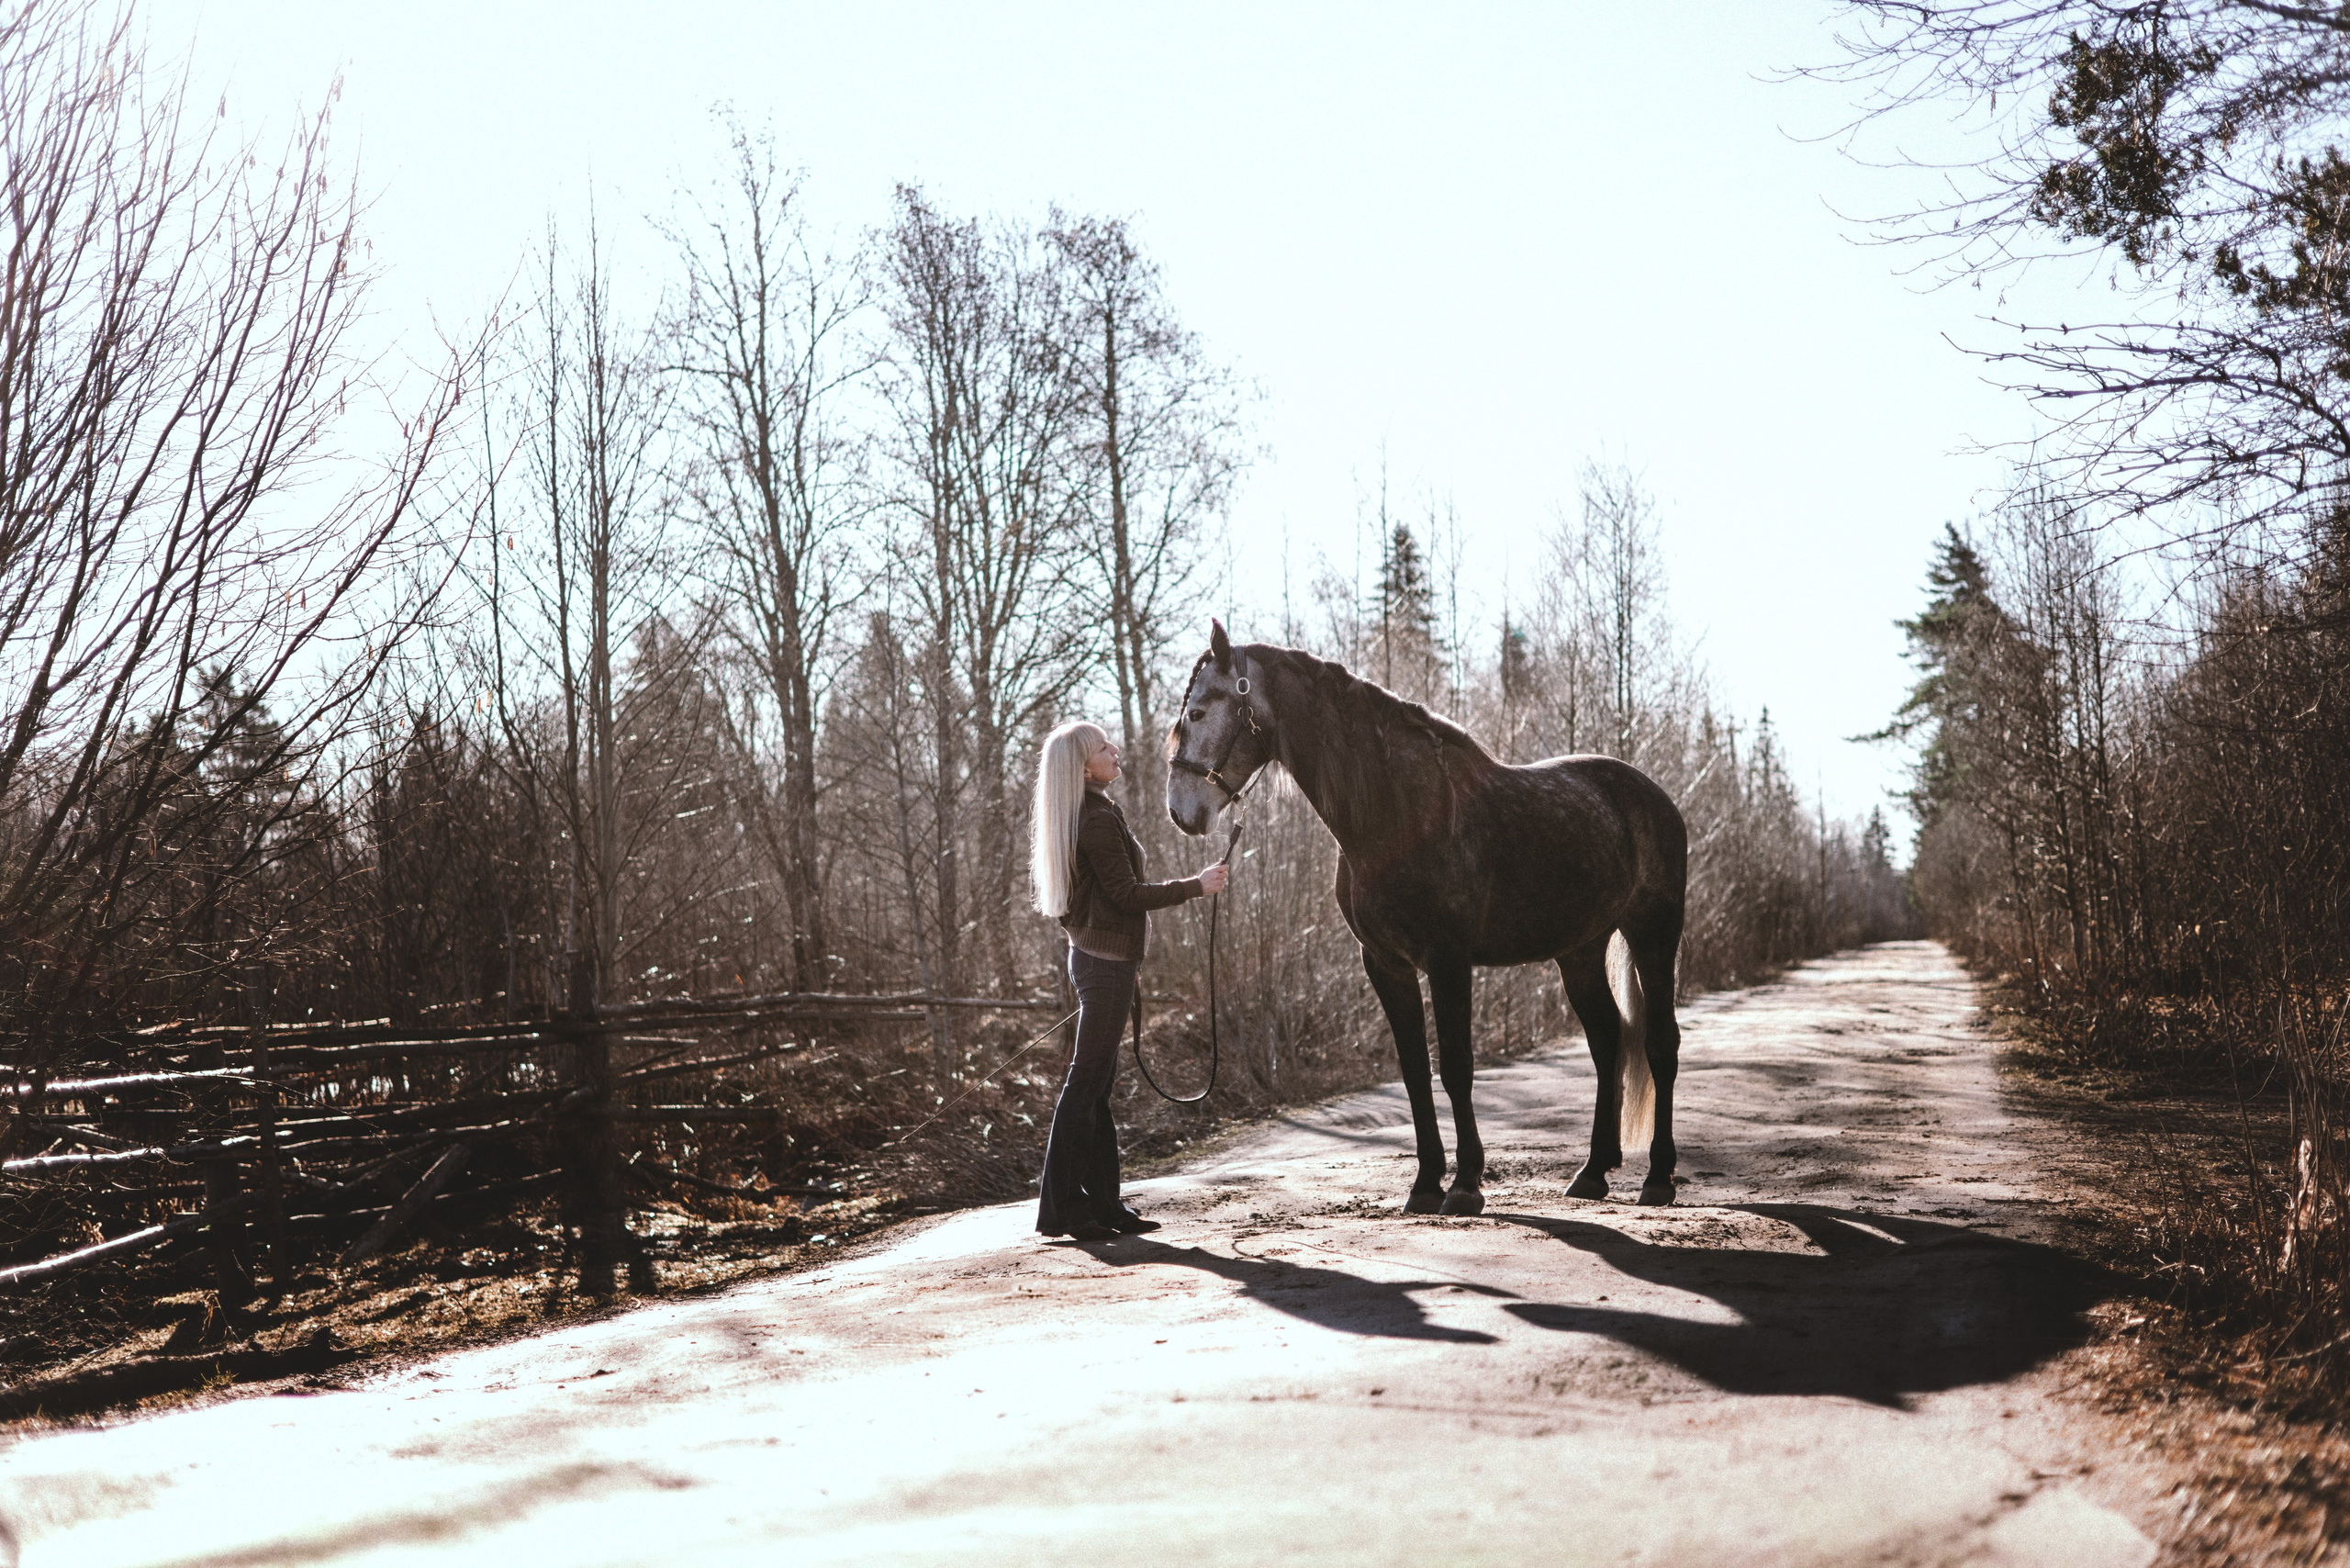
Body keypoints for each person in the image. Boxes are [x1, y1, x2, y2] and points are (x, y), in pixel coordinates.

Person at [1028, 720, 1230, 1240]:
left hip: (1101, 961)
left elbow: (1091, 901)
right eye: (1103, 747)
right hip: (1104, 965)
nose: (1115, 750)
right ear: (1083, 767)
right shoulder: (1095, 819)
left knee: (1095, 1088)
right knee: (1086, 1084)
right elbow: (1126, 895)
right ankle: (1065, 1210)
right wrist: (1195, 886)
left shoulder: (1092, 811)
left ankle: (1103, 1206)